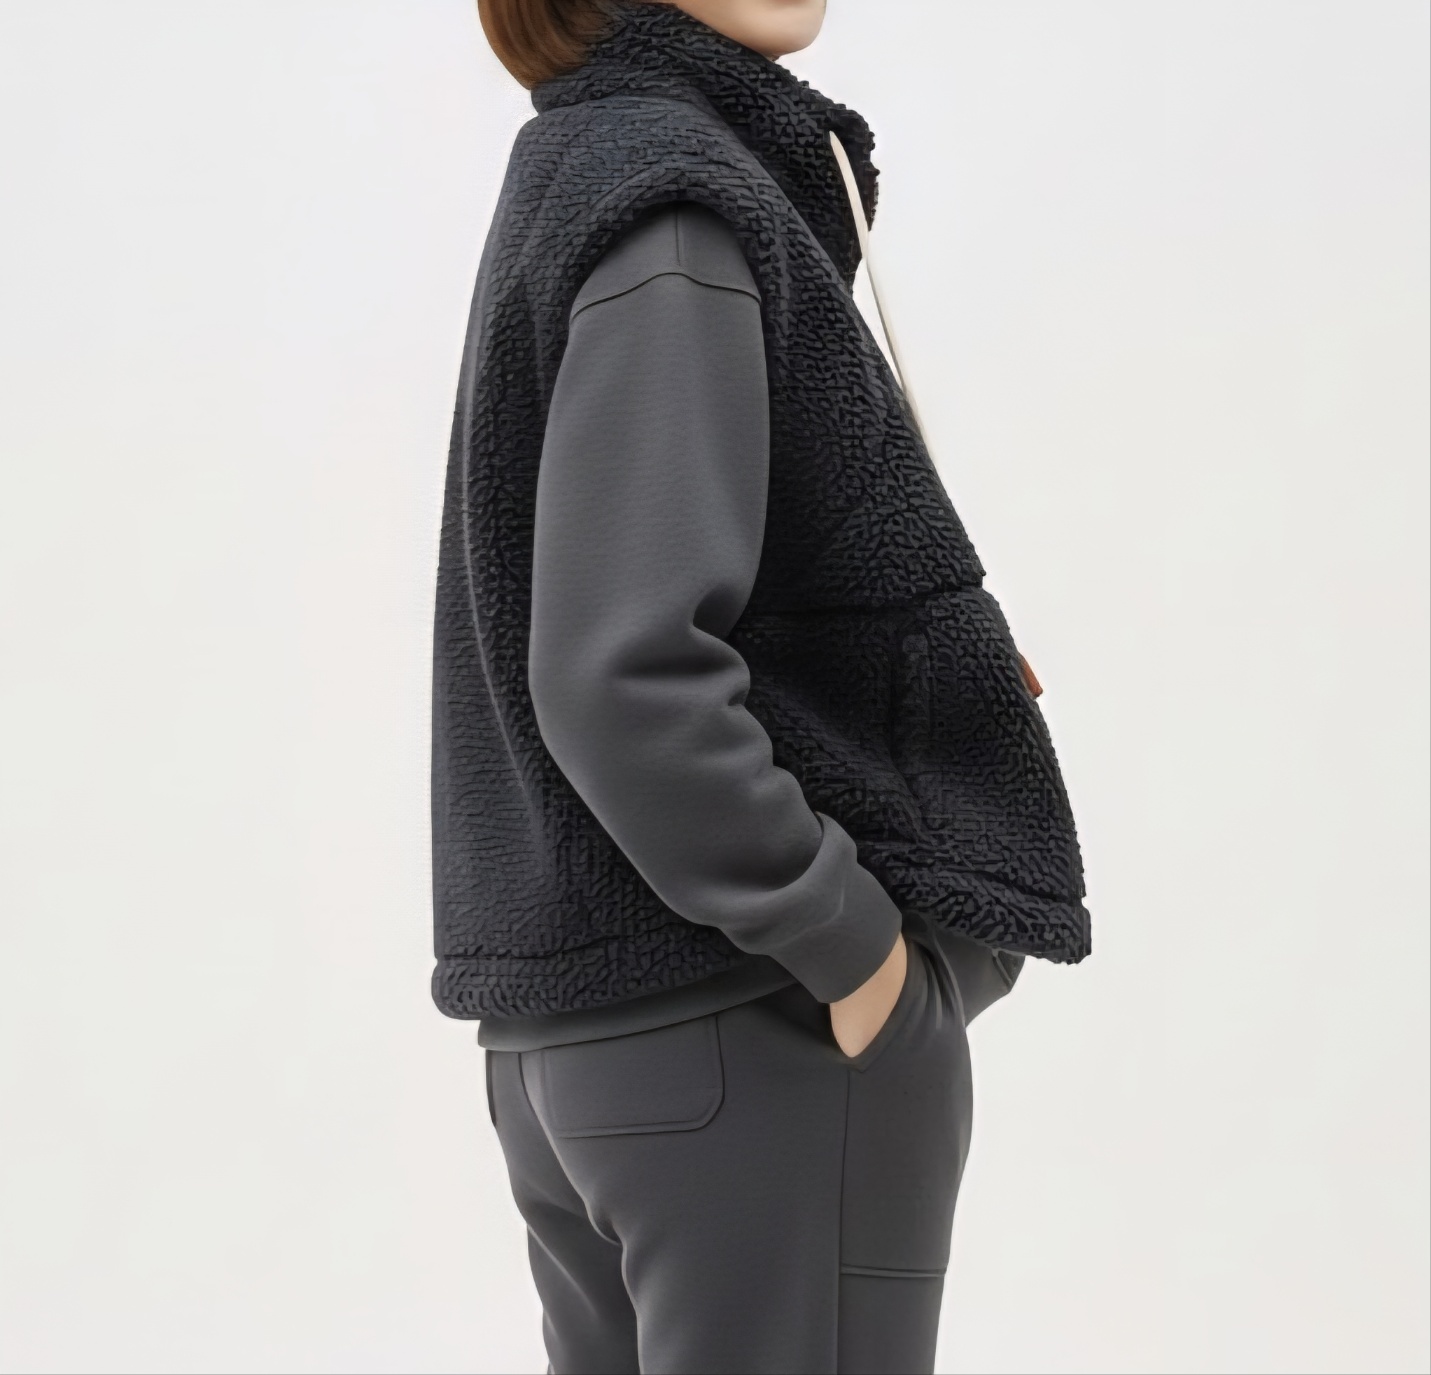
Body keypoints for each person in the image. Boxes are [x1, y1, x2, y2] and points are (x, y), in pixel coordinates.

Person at [429, 2, 1092, 1370]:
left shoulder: (583, 167)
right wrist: (854, 954)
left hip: (590, 1040)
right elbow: (624, 673)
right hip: (755, 1033)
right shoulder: (677, 204)